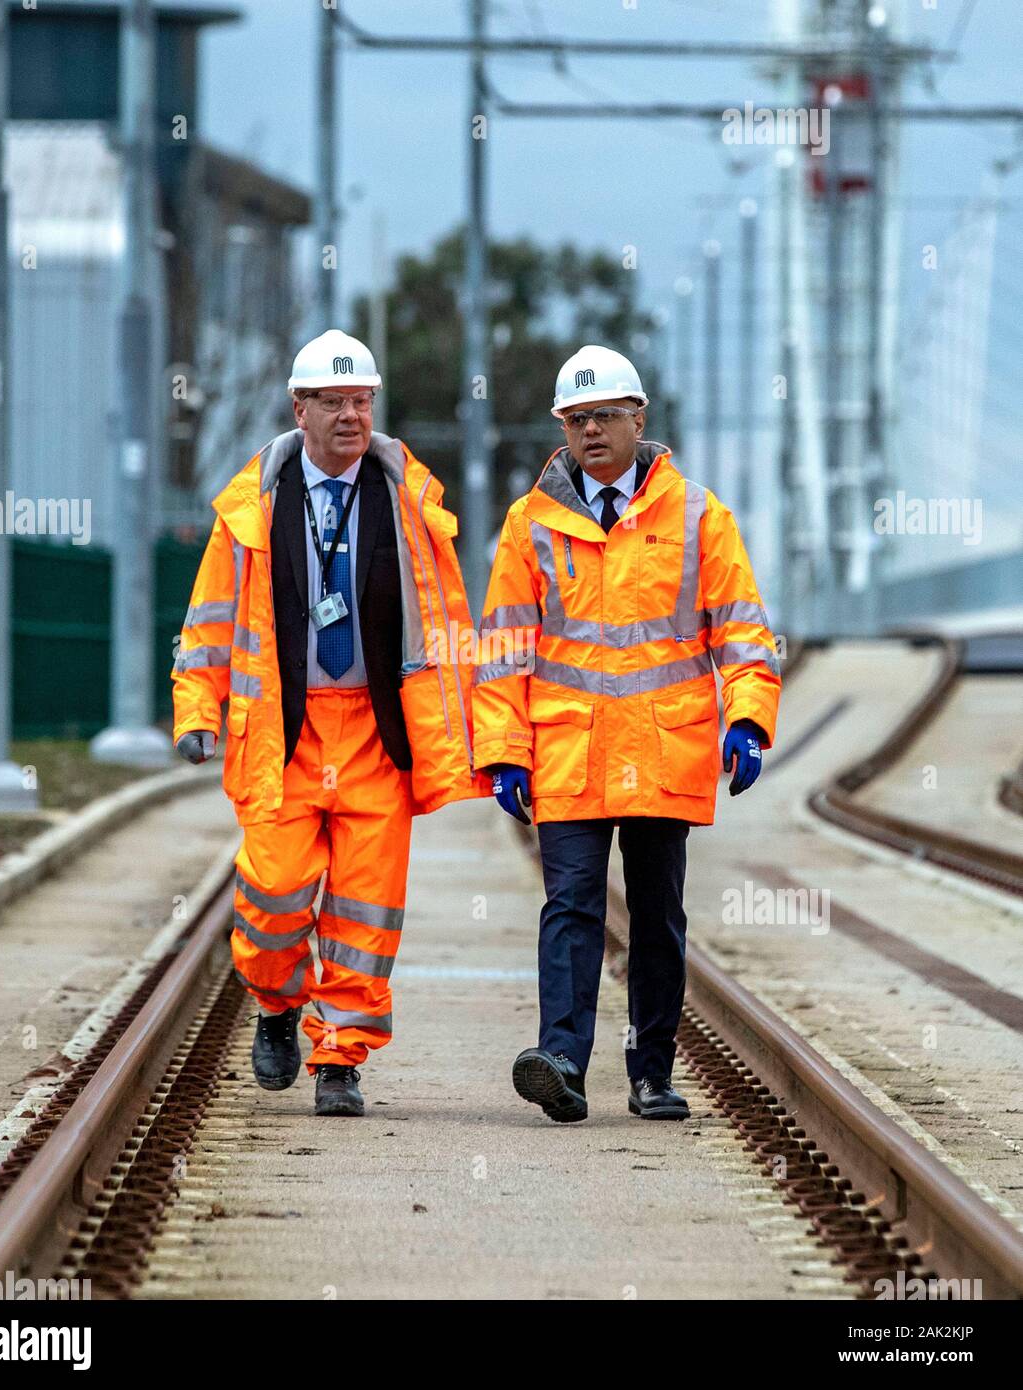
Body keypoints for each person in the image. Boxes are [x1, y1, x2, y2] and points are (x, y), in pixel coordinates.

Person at [172, 330, 485, 1117]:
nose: (351, 416)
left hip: (378, 737)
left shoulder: (411, 505)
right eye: (335, 402)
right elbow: (208, 619)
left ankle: (340, 1058)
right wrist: (194, 708)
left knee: (364, 910)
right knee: (273, 892)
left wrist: (476, 729)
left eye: (362, 401)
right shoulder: (252, 509)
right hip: (284, 735)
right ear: (299, 408)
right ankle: (277, 1003)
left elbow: (449, 625)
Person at [473, 344, 781, 1123]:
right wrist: (503, 751)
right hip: (570, 751)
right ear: (562, 429)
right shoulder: (528, 524)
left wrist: (748, 716)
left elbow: (740, 626)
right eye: (576, 420)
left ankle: (652, 1072)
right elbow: (503, 647)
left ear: (638, 419)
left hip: (661, 748)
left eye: (604, 416)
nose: (591, 431)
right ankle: (562, 1065)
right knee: (570, 908)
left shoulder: (697, 515)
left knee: (655, 916)